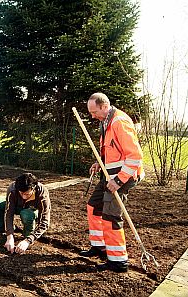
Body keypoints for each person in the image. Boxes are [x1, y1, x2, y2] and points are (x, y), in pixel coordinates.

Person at [79, 92, 144, 273]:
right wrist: (100, 162)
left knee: (111, 216)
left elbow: (135, 156)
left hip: (124, 176)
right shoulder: (105, 122)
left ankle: (118, 261)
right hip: (109, 175)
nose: (92, 116)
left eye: (93, 112)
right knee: (93, 206)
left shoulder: (119, 122)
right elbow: (113, 150)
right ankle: (99, 247)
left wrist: (119, 180)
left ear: (103, 106)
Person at [0, 173, 51, 254]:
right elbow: (9, 213)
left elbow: (45, 222)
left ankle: (27, 235)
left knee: (27, 214)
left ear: (33, 188)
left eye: (27, 194)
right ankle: (4, 227)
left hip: (30, 210)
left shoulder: (42, 193)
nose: (24, 197)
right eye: (21, 193)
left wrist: (28, 240)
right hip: (17, 206)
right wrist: (9, 236)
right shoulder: (13, 189)